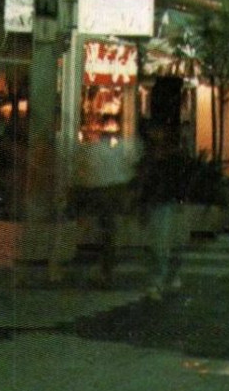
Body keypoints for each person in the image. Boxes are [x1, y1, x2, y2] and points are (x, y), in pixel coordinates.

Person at [72, 132, 141, 285]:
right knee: (108, 232)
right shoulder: (113, 153)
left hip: (96, 194)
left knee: (102, 231)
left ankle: (102, 268)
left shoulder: (91, 151)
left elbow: (82, 172)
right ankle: (106, 270)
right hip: (110, 194)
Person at [138, 125, 185, 301]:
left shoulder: (169, 160)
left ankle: (161, 279)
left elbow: (178, 181)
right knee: (159, 245)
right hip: (158, 204)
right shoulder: (152, 161)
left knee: (165, 244)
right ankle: (158, 280)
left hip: (165, 203)